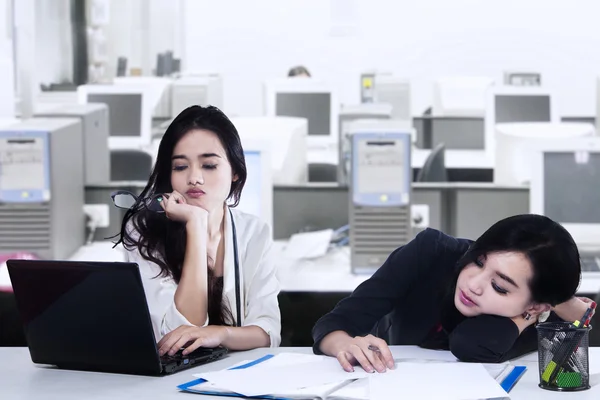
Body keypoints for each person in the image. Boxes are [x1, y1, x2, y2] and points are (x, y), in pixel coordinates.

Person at [312, 214, 596, 372]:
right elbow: (333, 323)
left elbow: (472, 343)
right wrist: (343, 345)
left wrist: (530, 318)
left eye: (499, 287)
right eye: (479, 261)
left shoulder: (537, 313)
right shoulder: (430, 252)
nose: (473, 284)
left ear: (535, 306)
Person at [115, 105, 281, 357]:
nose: (194, 178)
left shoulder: (254, 232)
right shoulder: (142, 232)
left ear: (235, 171)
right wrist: (196, 224)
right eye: (180, 167)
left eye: (209, 165)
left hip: (236, 379)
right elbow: (178, 334)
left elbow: (268, 332)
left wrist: (220, 334)